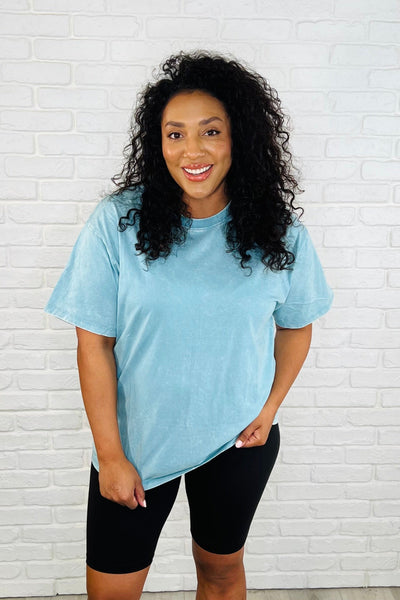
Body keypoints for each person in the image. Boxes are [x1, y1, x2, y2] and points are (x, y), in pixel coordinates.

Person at [45, 50, 333, 600]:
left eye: (211, 132)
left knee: (221, 574)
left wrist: (269, 408)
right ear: (158, 143)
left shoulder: (279, 233)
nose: (192, 150)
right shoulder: (117, 223)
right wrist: (111, 456)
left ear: (239, 138)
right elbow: (93, 344)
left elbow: (296, 326)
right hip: (136, 445)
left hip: (237, 442)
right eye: (175, 134)